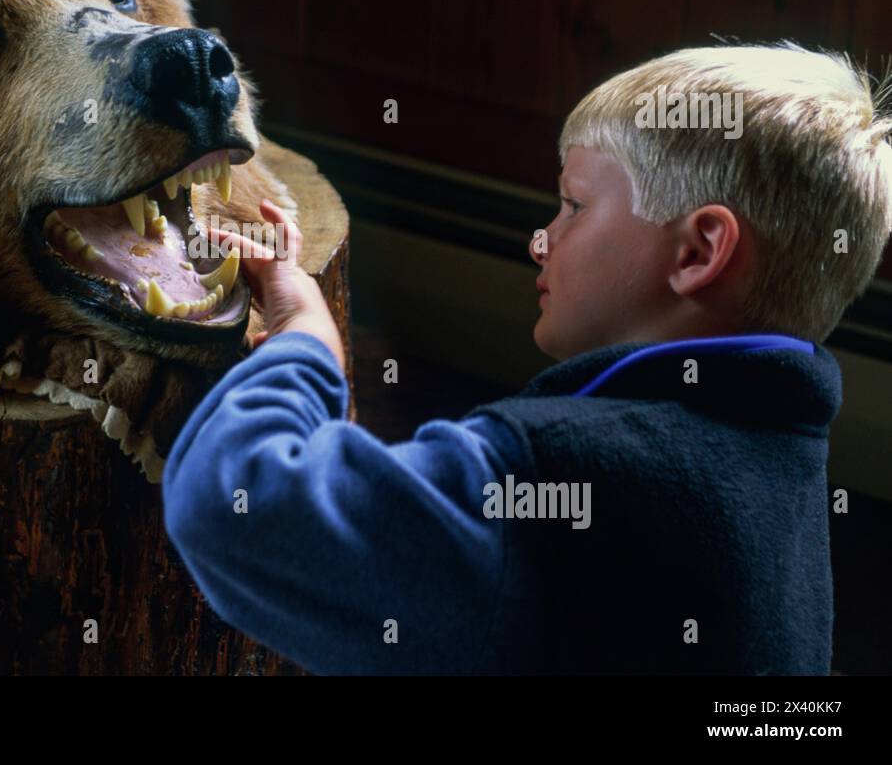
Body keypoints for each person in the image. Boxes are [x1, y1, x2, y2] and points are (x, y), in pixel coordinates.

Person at [161, 43, 892, 674]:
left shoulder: (564, 475)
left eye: (573, 206)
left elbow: (232, 506)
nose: (540, 240)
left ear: (699, 251)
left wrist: (303, 342)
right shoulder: (783, 458)